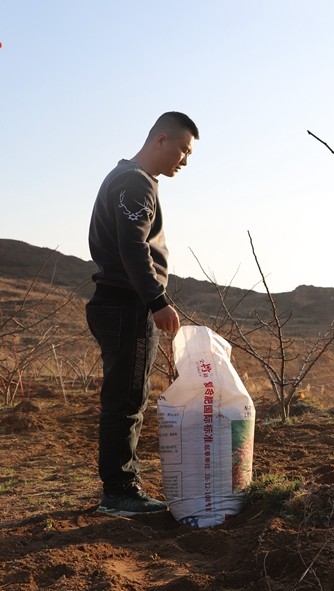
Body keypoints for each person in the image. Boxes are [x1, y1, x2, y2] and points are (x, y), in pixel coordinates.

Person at [86, 112, 198, 515]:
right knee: (127, 399)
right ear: (161, 139)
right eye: (183, 150)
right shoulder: (135, 183)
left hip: (117, 302)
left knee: (125, 396)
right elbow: (133, 248)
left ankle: (119, 486)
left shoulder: (126, 178)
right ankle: (119, 492)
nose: (184, 161)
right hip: (126, 305)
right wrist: (157, 301)